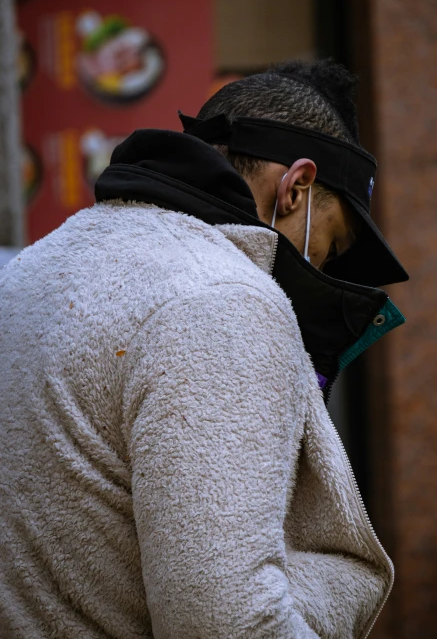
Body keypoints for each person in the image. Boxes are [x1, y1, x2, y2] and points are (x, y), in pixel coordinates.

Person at [0, 59, 408, 638]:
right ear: (297, 188)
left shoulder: (38, 263)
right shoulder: (223, 302)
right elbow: (227, 623)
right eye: (330, 245)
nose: (320, 267)